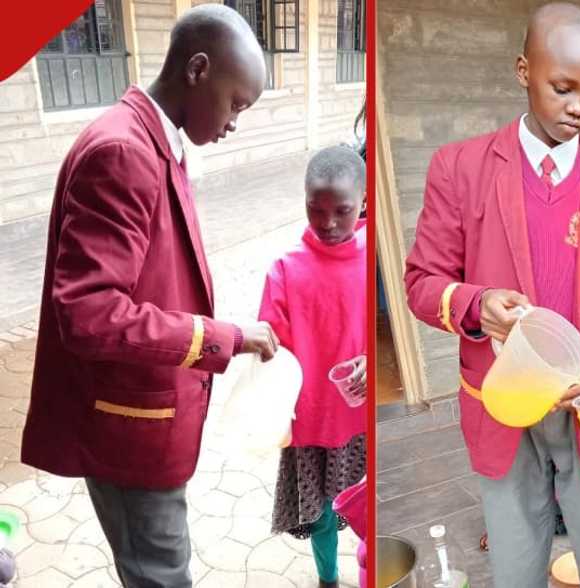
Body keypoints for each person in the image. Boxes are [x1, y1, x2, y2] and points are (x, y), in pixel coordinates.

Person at [403, 4, 580, 586]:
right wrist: (476, 303)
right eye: (562, 87)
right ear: (524, 71)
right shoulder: (460, 169)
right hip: (500, 405)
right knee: (516, 571)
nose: (577, 109)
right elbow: (421, 282)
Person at [20, 6, 278, 586]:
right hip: (130, 427)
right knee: (160, 574)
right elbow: (88, 314)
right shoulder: (123, 152)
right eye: (235, 103)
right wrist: (225, 337)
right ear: (198, 69)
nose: (236, 121)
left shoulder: (148, 136)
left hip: (146, 413)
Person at [259, 146, 368, 588]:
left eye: (341, 211)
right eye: (314, 209)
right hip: (309, 425)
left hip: (361, 421)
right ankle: (328, 578)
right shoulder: (285, 271)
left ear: (362, 202)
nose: (327, 222)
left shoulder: (373, 261)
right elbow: (269, 353)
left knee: (366, 504)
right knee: (322, 514)